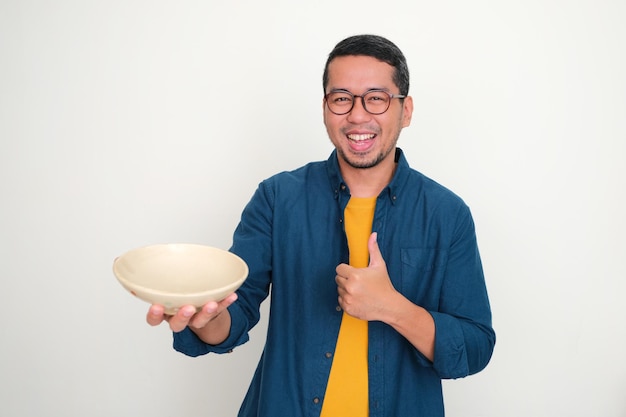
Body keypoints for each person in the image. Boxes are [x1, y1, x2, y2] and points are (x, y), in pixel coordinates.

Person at [147, 34, 495, 417]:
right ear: (326, 107)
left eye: (376, 98)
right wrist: (205, 318)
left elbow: (475, 346)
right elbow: (235, 310)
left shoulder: (447, 214)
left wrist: (392, 307)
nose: (358, 115)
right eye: (341, 98)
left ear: (405, 110)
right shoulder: (278, 198)